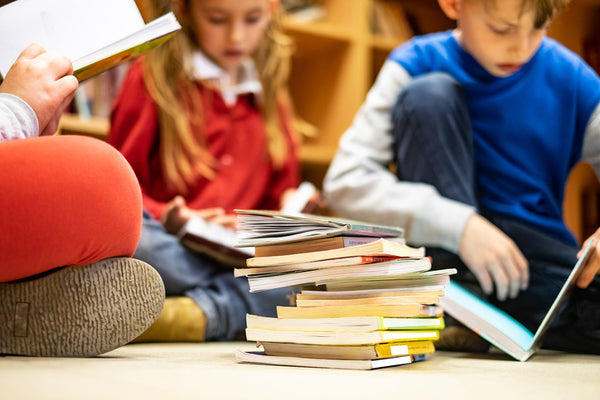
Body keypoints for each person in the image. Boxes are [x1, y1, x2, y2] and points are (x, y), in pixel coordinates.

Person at [323, 0, 600, 354]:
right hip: (444, 256)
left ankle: (485, 318)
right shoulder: (414, 63)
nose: (522, 47)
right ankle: (459, 307)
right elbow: (346, 182)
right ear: (453, 4)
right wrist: (460, 226)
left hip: (527, 259)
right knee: (428, 94)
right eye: (502, 29)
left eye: (539, 27)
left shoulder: (571, 76)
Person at [109, 0, 314, 342]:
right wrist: (175, 216)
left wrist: (290, 213)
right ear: (186, 10)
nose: (236, 36)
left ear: (273, 10)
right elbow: (119, 189)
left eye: (252, 19)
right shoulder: (152, 77)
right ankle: (232, 306)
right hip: (174, 244)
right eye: (217, 20)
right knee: (140, 243)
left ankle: (188, 313)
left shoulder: (270, 96)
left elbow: (279, 197)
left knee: (305, 272)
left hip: (240, 255)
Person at [0, 43, 165, 357]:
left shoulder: (268, 105)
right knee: (108, 188)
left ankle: (215, 301)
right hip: (161, 227)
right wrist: (15, 110)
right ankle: (213, 306)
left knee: (266, 268)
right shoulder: (152, 80)